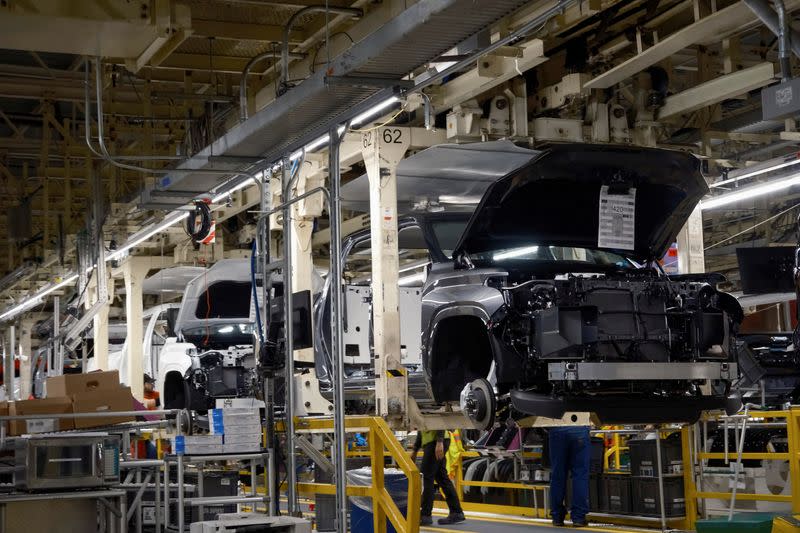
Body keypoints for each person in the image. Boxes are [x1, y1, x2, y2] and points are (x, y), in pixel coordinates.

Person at [411, 429, 465, 526]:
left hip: (436, 441)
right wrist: (415, 450)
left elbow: (439, 419)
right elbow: (421, 429)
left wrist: (439, 441)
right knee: (442, 478)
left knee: (427, 478)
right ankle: (456, 512)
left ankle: (425, 515)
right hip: (436, 441)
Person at [548, 426, 590, 527]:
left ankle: (557, 517)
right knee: (580, 475)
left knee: (557, 475)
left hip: (557, 430)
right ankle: (578, 518)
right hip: (580, 430)